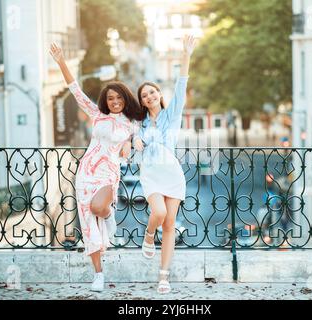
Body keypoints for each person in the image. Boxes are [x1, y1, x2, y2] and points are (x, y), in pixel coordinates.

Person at [50, 42, 144, 292]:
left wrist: (131, 141)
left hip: (108, 173)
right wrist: (61, 62)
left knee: (98, 207)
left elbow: (142, 137)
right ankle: (98, 275)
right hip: (86, 172)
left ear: (125, 99)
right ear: (106, 100)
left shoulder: (132, 123)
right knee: (88, 224)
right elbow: (76, 90)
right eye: (110, 98)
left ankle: (110, 215)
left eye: (118, 97)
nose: (114, 101)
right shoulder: (97, 114)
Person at [133, 35, 197, 294]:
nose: (149, 96)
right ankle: (149, 235)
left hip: (172, 174)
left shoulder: (173, 115)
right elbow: (131, 137)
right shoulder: (140, 123)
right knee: (158, 214)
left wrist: (186, 54)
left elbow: (182, 83)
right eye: (144, 95)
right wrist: (136, 137)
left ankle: (163, 276)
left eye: (152, 92)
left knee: (170, 225)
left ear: (159, 94)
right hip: (151, 174)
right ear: (142, 101)